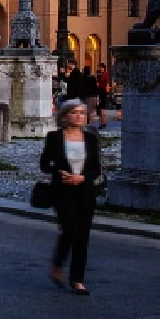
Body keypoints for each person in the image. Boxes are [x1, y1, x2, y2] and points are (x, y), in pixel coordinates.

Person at [40, 98, 100, 296]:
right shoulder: (54, 137)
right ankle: (57, 264)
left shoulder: (91, 139)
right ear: (65, 116)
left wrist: (82, 177)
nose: (79, 116)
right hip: (62, 190)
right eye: (74, 112)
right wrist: (59, 172)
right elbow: (44, 164)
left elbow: (96, 168)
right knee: (70, 229)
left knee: (83, 236)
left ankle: (77, 279)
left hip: (85, 190)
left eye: (82, 113)